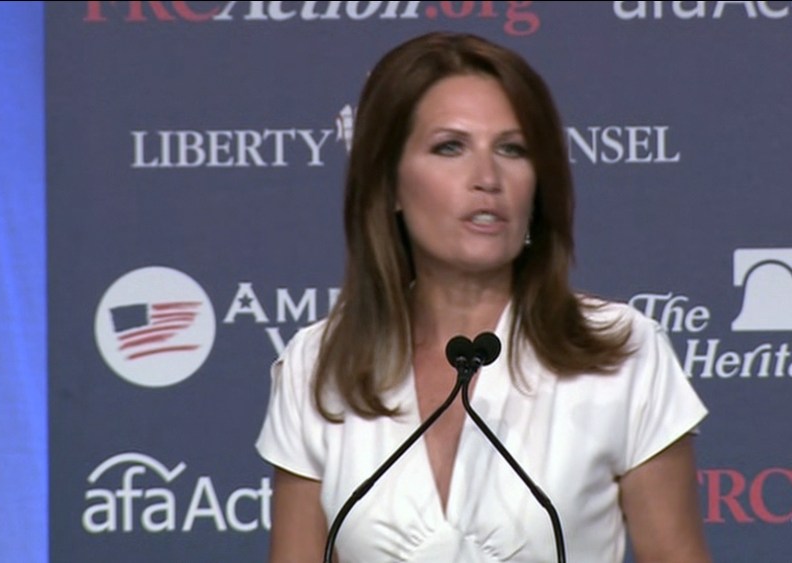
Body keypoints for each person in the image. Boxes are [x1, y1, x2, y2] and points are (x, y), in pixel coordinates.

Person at [256, 31, 711, 563]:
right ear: (390, 184)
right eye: (450, 147)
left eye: (512, 149)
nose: (487, 178)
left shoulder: (620, 351)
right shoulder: (319, 366)